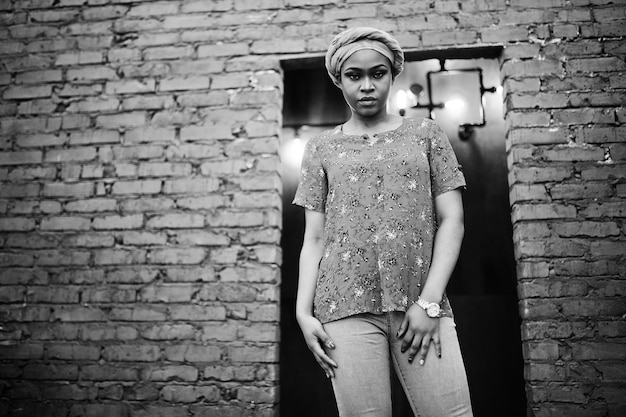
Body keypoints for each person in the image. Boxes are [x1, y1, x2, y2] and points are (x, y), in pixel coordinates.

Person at [293, 27, 474, 417]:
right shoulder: (321, 147)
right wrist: (302, 313)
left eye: (377, 73)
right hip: (343, 309)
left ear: (393, 75)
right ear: (338, 80)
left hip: (421, 305)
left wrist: (428, 304)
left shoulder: (425, 133)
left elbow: (452, 220)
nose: (367, 85)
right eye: (354, 76)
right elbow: (315, 238)